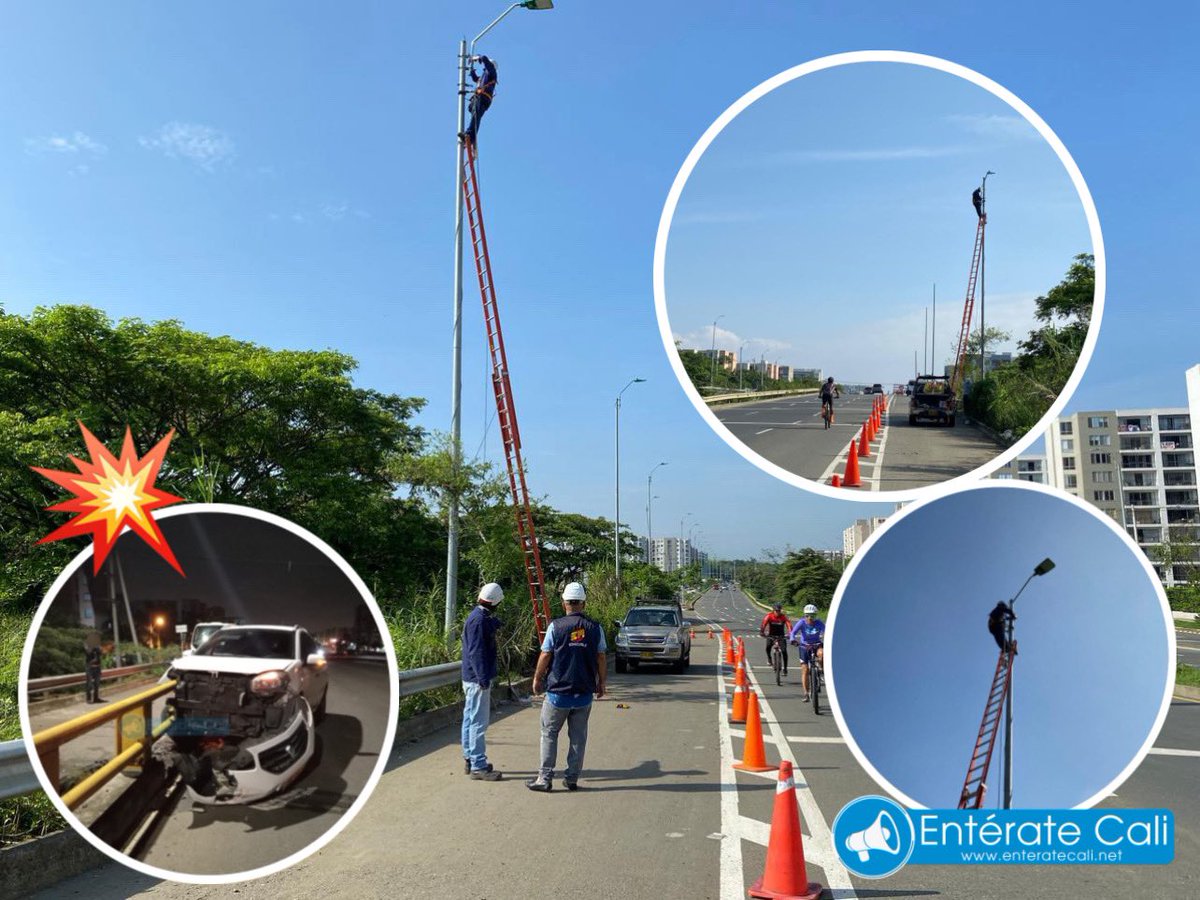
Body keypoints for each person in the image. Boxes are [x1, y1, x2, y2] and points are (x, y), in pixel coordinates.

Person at [526, 582, 607, 793]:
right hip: (583, 693)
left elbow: (545, 654)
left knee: (549, 734)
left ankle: (544, 778)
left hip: (557, 694)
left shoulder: (556, 626)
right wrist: (602, 683)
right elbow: (601, 657)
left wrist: (537, 678)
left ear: (564, 603)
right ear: (584, 603)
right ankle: (571, 778)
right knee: (578, 738)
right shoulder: (595, 628)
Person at [461, 582, 504, 781]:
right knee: (479, 722)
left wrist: (495, 623)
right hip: (477, 678)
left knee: (470, 719)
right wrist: (483, 678)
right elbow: (476, 651)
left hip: (470, 676)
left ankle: (470, 758)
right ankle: (479, 765)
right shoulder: (479, 621)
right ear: (494, 602)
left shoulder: (478, 617)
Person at [789, 604, 825, 702]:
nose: (810, 618)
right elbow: (793, 633)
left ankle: (822, 670)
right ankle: (806, 693)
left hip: (816, 645)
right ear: (805, 615)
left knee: (822, 654)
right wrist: (793, 640)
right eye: (808, 615)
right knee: (805, 670)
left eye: (812, 615)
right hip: (804, 646)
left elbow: (826, 631)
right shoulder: (801, 623)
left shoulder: (819, 623)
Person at [462, 54, 497, 144]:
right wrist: (472, 70)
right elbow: (476, 79)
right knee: (474, 114)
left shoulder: (492, 72)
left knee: (476, 116)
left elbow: (484, 58)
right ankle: (470, 136)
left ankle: (470, 135)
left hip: (483, 97)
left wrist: (477, 57)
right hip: (480, 97)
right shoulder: (485, 76)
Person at [760, 602, 792, 675]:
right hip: (771, 635)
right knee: (768, 647)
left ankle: (785, 668)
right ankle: (769, 659)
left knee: (784, 651)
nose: (778, 612)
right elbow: (763, 624)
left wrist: (790, 634)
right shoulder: (769, 616)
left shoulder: (784, 617)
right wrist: (762, 632)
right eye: (776, 611)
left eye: (779, 611)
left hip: (781, 636)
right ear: (773, 610)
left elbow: (789, 625)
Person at [84, 631, 103, 704]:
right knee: (89, 684)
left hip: (97, 667)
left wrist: (98, 648)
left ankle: (96, 698)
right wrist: (94, 647)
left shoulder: (97, 645)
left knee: (97, 684)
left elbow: (101, 652)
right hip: (90, 667)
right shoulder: (86, 644)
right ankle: (88, 699)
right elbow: (88, 652)